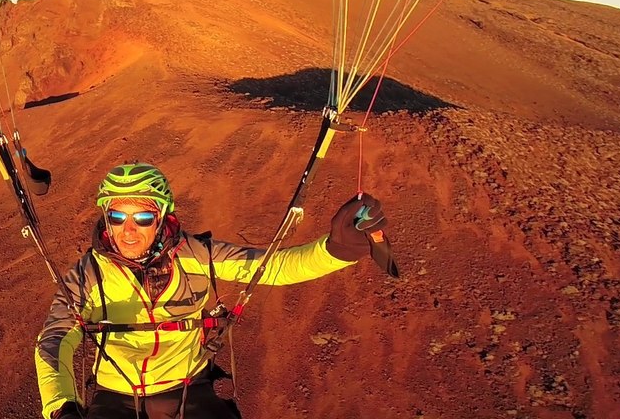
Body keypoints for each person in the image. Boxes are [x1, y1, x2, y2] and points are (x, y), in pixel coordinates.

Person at [34, 163, 388, 419]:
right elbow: (54, 340)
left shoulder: (198, 256)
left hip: (187, 388)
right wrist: (62, 408)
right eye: (117, 217)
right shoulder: (87, 275)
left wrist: (338, 249)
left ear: (162, 217)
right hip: (116, 396)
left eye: (142, 218)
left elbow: (273, 266)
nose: (128, 230)